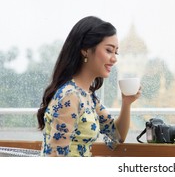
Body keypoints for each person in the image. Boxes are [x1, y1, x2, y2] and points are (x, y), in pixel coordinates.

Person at [36, 16, 141, 157]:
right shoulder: (70, 96)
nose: (114, 58)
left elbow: (117, 136)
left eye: (116, 52)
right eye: (109, 50)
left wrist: (126, 103)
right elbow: (55, 158)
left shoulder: (87, 96)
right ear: (85, 50)